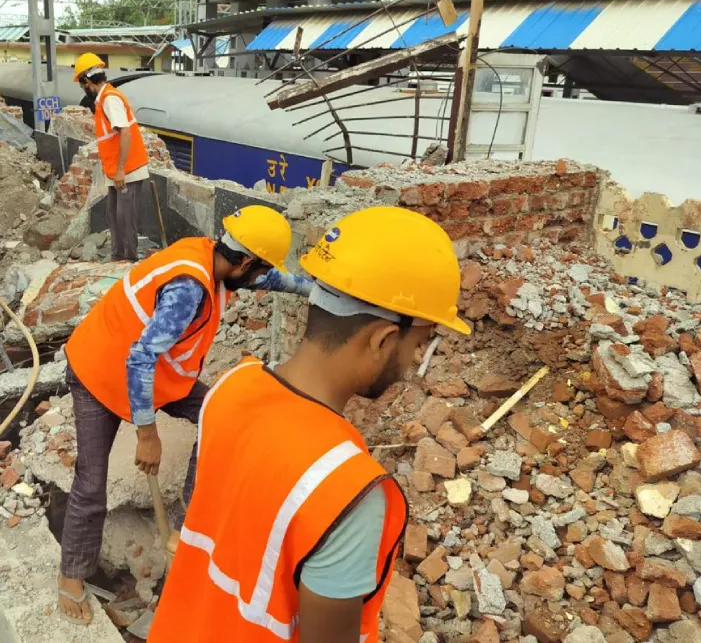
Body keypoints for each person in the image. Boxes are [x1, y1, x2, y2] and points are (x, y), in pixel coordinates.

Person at [148, 206, 472, 643]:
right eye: (418, 345)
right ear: (383, 340)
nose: (414, 361)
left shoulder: (229, 390)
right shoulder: (346, 493)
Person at [57, 205, 314, 625]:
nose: (260, 278)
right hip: (99, 372)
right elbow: (140, 358)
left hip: (156, 377)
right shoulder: (187, 290)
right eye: (259, 269)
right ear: (245, 261)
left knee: (219, 414)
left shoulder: (218, 260)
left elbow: (271, 280)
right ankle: (71, 576)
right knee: (91, 482)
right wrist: (147, 435)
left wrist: (316, 292)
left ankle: (183, 525)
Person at [74, 52, 147, 262]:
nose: (84, 90)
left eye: (82, 86)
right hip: (117, 171)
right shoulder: (104, 99)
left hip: (127, 170)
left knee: (125, 219)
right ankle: (118, 257)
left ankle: (128, 261)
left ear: (87, 82)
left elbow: (125, 132)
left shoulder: (110, 99)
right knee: (115, 216)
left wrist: (121, 169)